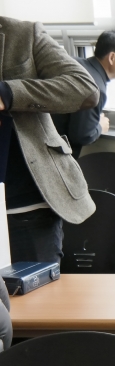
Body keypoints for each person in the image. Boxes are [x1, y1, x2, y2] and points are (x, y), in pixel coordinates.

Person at [0, 16, 98, 264]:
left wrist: (8, 93)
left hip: (26, 209)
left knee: (37, 289)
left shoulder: (23, 34)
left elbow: (84, 88)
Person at [52, 30, 115, 158]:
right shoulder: (95, 88)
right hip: (51, 156)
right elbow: (81, 136)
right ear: (112, 58)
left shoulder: (75, 64)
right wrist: (100, 126)